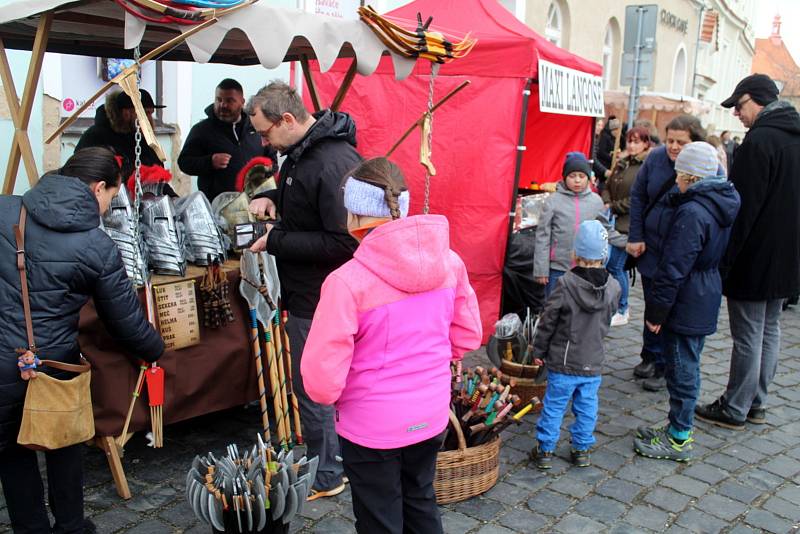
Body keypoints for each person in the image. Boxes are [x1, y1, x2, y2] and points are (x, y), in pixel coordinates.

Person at [301, 158, 482, 533]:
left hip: (371, 425)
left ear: (353, 215)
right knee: (420, 500)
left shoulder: (347, 282)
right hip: (430, 413)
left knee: (378, 517)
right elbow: (466, 335)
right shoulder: (450, 263)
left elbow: (321, 381)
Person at [0, 147, 164, 533]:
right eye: (111, 196)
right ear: (98, 188)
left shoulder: (5, 210)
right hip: (55, 363)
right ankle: (71, 525)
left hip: (4, 358)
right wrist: (154, 350)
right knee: (63, 445)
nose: (109, 206)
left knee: (9, 452)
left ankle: (31, 527)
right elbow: (125, 322)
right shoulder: (96, 244)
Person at [245, 81, 360, 499]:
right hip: (308, 291)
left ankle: (328, 475)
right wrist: (274, 196)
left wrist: (274, 240)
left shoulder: (332, 162)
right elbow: (306, 202)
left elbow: (345, 241)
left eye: (265, 132)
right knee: (316, 386)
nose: (262, 140)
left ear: (288, 119)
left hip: (323, 296)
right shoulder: (300, 153)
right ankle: (332, 463)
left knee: (314, 386)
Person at [695, 74, 800, 429]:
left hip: (756, 256)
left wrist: (726, 259)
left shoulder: (760, 141)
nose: (736, 114)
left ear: (756, 99)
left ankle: (736, 406)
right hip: (788, 256)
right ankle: (757, 403)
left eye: (739, 107)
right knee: (769, 330)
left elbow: (743, 208)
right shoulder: (793, 137)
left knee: (749, 334)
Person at [633, 142, 740, 462]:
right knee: (686, 363)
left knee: (682, 369)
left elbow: (674, 267)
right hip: (703, 290)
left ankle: (679, 436)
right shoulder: (720, 201)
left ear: (692, 178)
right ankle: (674, 427)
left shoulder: (693, 212)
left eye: (680, 175)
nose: (675, 180)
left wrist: (657, 311)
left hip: (687, 297)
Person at [626, 115, 708, 392]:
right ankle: (650, 355)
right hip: (651, 245)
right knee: (651, 302)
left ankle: (666, 365)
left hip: (678, 250)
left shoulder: (702, 167)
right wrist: (636, 235)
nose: (673, 146)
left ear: (694, 142)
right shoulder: (656, 158)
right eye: (670, 140)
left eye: (680, 142)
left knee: (670, 307)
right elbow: (638, 196)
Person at [530, 220, 620, 469]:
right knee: (587, 406)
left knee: (554, 406)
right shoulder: (613, 286)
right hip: (593, 359)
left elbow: (548, 320)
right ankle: (581, 449)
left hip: (564, 360)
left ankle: (545, 450)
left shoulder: (566, 284)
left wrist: (539, 350)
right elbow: (608, 317)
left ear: (575, 253)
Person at [178, 78, 278, 203]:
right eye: (219, 99)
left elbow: (272, 160)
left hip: (254, 204)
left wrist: (264, 174)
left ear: (242, 102)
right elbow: (184, 162)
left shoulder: (256, 126)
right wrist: (209, 162)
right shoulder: (202, 130)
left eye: (230, 100)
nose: (223, 105)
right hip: (217, 207)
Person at [534, 152, 604, 298]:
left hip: (586, 268)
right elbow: (543, 236)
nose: (577, 180)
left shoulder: (596, 202)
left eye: (581, 176)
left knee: (581, 308)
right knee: (555, 307)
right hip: (558, 268)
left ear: (588, 178)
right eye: (572, 176)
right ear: (565, 177)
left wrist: (626, 241)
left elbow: (605, 232)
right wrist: (541, 269)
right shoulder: (553, 201)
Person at [602, 126, 653, 326]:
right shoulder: (622, 163)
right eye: (629, 141)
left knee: (616, 266)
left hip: (628, 225)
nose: (632, 145)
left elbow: (639, 198)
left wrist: (614, 205)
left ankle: (622, 308)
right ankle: (616, 305)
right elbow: (607, 186)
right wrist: (606, 201)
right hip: (612, 221)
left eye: (636, 141)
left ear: (645, 144)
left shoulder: (646, 166)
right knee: (612, 266)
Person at [76, 89, 164, 168]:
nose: (149, 119)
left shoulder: (144, 139)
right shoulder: (95, 137)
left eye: (151, 113)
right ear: (127, 113)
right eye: (146, 113)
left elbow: (157, 167)